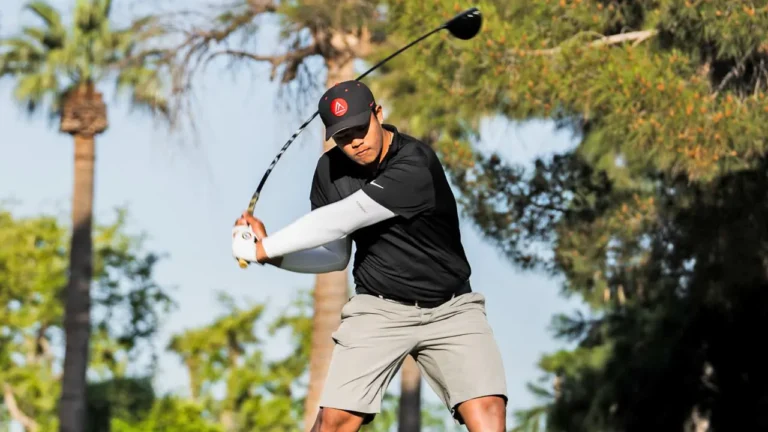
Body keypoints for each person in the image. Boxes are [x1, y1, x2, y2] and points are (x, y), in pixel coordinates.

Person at [231, 80, 507, 431]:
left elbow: (345, 217)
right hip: (379, 308)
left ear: (378, 114)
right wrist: (268, 256)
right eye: (343, 137)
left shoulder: (415, 163)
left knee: (488, 414)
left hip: (451, 309)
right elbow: (334, 256)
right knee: (333, 422)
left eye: (361, 129)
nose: (355, 142)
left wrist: (260, 248)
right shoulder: (329, 171)